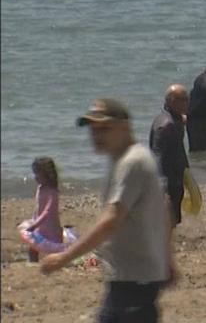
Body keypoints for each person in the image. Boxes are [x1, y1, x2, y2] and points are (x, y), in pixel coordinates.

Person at [41, 99, 175, 323]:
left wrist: (64, 258)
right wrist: (169, 261)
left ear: (124, 127)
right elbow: (165, 210)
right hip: (132, 278)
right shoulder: (122, 159)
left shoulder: (132, 162)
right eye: (93, 130)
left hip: (134, 280)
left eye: (104, 128)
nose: (96, 135)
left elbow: (112, 220)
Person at [149, 85, 189, 227]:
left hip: (177, 174)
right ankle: (163, 245)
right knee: (168, 216)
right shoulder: (166, 125)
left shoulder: (176, 119)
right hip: (168, 177)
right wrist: (161, 182)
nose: (187, 103)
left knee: (174, 216)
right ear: (172, 101)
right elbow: (156, 154)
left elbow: (179, 146)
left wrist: (186, 168)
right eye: (184, 100)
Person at [19, 157, 63, 262]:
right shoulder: (40, 187)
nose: (35, 177)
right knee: (33, 248)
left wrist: (35, 225)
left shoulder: (52, 192)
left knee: (55, 248)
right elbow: (38, 207)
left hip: (50, 226)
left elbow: (47, 212)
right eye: (34, 174)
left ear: (48, 175)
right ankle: (32, 264)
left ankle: (60, 262)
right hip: (39, 224)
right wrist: (33, 220)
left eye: (37, 174)